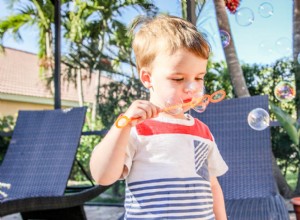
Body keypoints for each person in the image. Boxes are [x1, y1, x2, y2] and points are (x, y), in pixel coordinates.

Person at [90, 15, 228, 220]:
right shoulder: (136, 128)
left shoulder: (203, 132)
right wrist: (122, 126)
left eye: (199, 77)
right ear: (147, 78)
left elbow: (213, 185)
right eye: (178, 78)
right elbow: (102, 176)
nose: (192, 87)